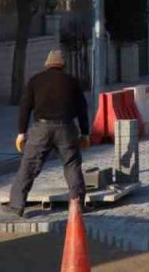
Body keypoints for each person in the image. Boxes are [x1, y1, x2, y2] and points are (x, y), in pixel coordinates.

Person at [8, 50, 89, 217]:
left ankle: (16, 205)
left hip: (41, 129)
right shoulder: (71, 81)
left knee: (28, 166)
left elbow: (25, 107)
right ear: (63, 65)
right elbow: (82, 109)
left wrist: (21, 132)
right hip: (66, 128)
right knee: (72, 165)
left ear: (47, 64)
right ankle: (77, 204)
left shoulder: (35, 80)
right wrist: (85, 133)